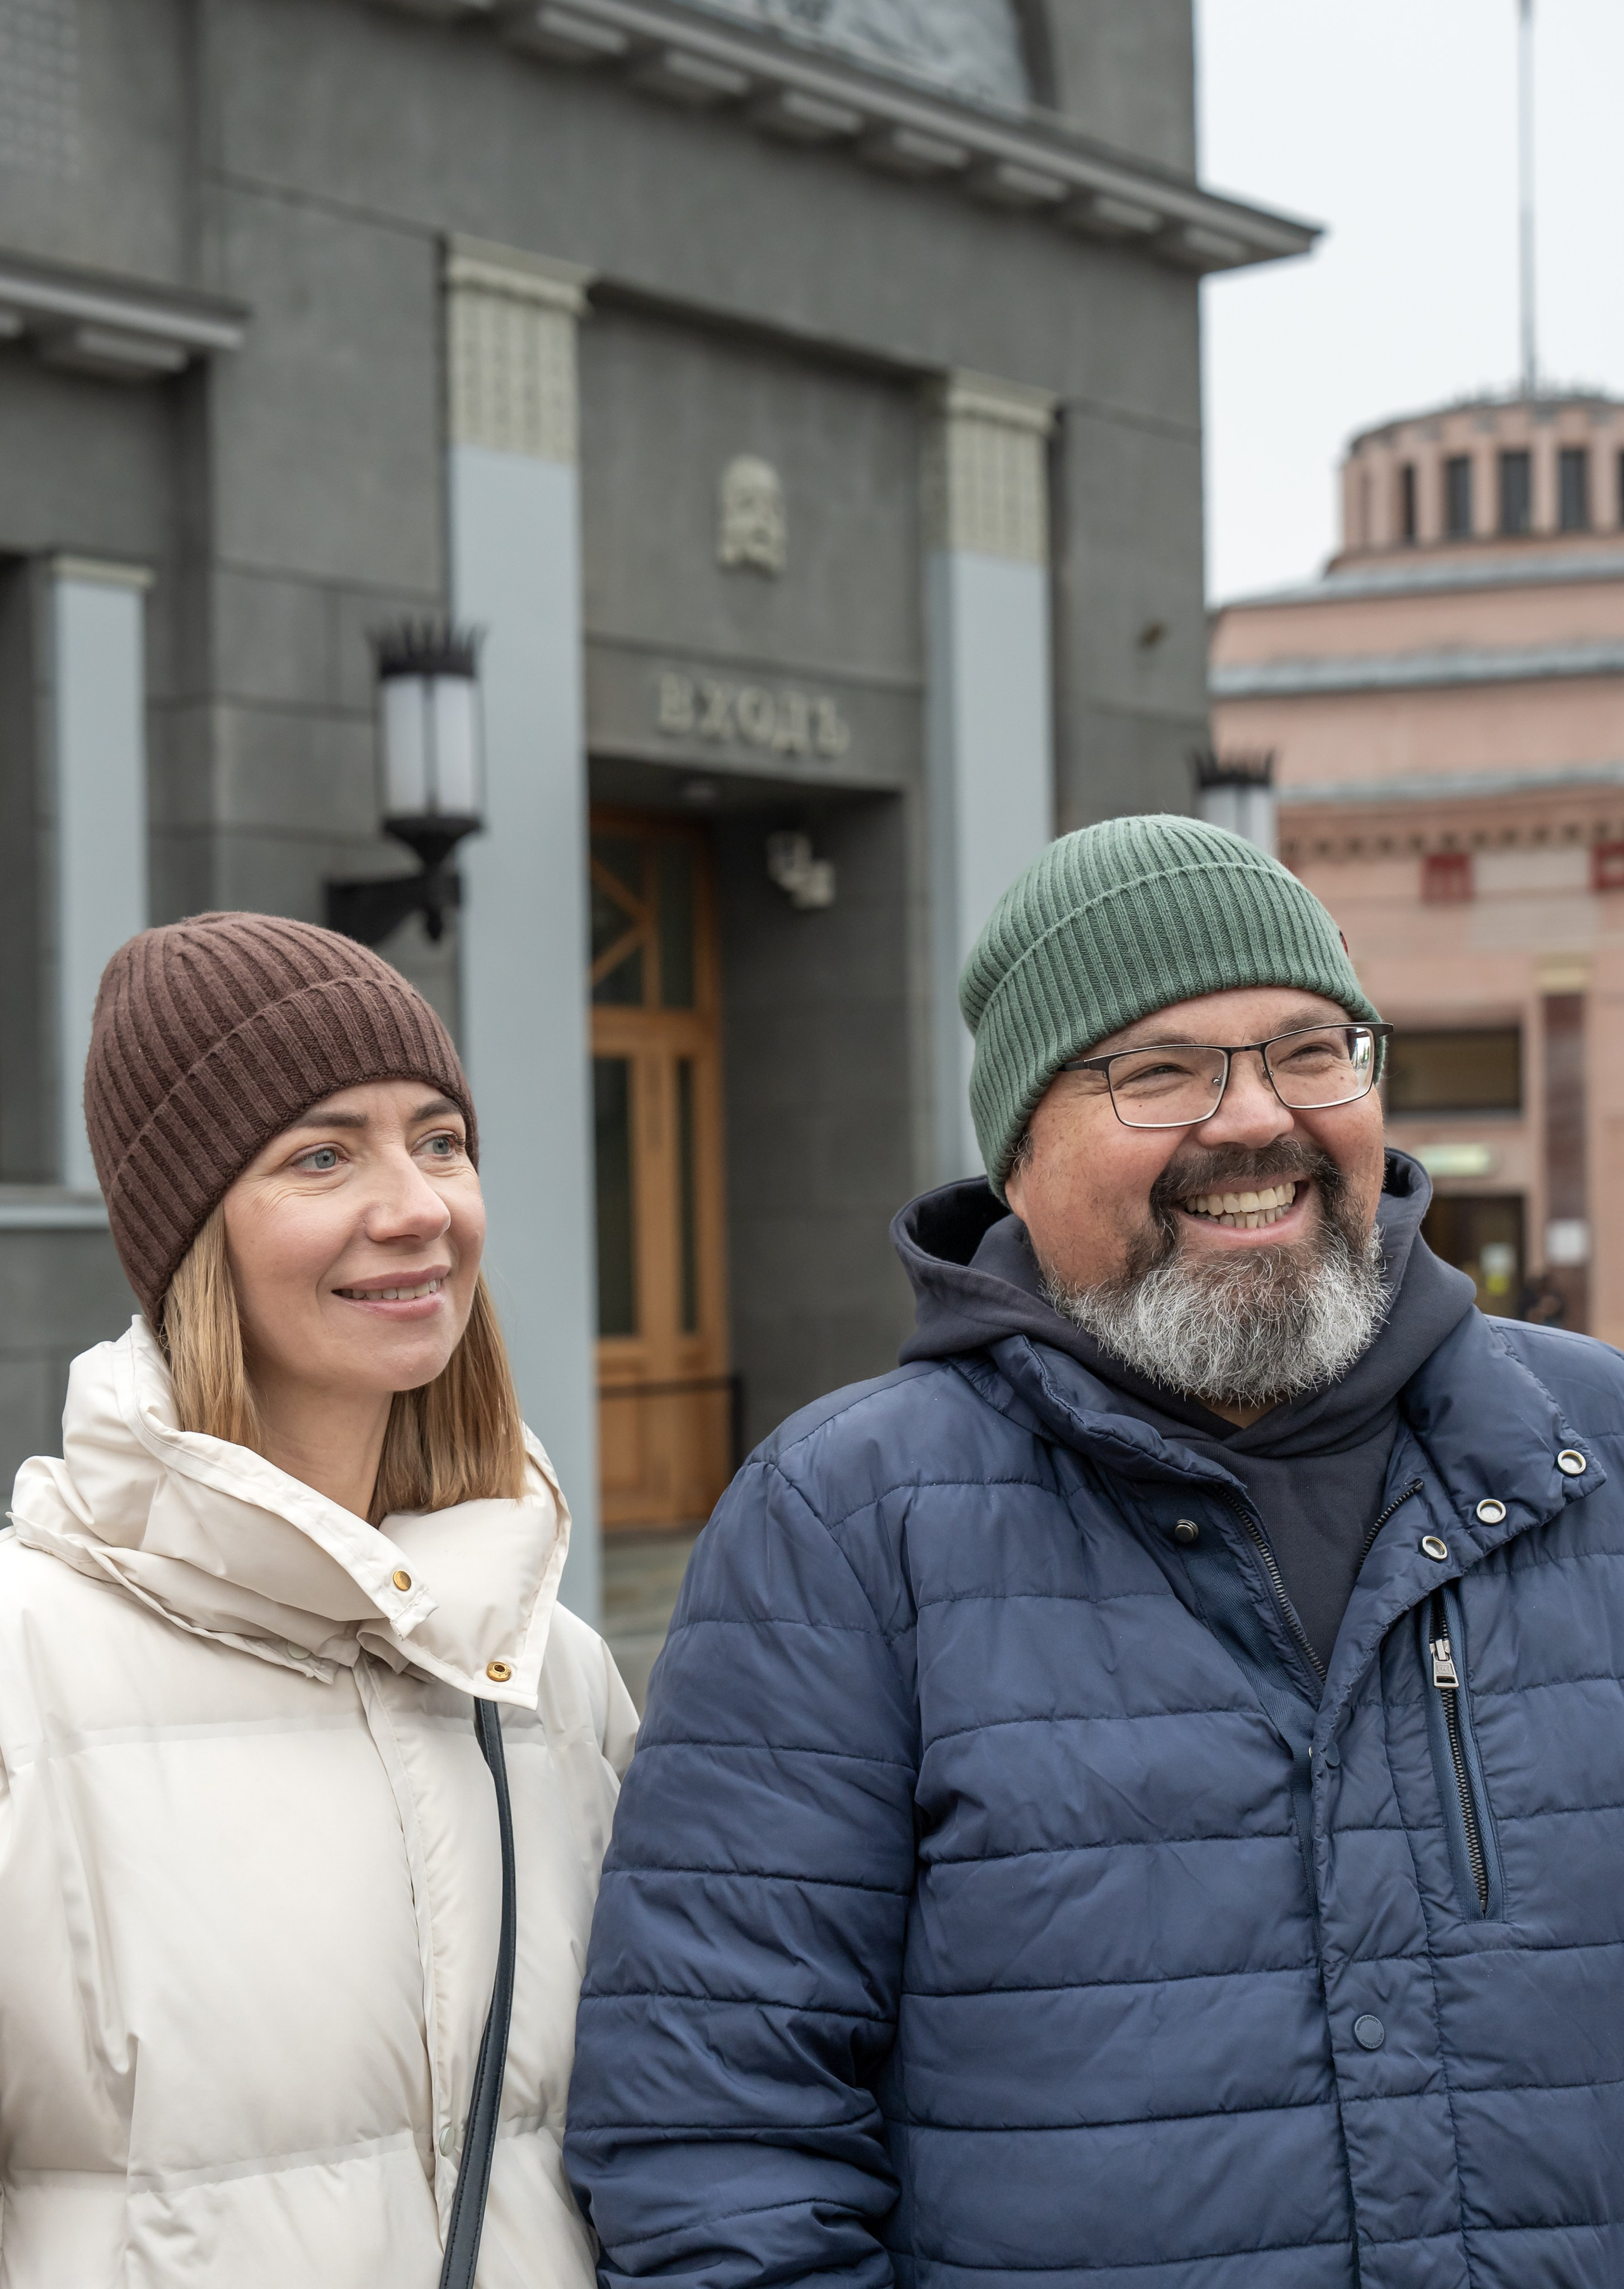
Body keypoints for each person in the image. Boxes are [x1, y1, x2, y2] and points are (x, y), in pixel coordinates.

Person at [567, 815, 1624, 2286]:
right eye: (1158, 1071)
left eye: (1308, 1049)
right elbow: (717, 2135)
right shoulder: (848, 1520)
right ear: (1017, 1154)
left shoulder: (1592, 1447)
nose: (1252, 1118)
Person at [0, 913, 635, 2288]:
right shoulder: (24, 1672)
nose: (417, 1205)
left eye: (441, 1139)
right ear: (190, 1232)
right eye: (322, 1153)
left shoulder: (552, 1672)